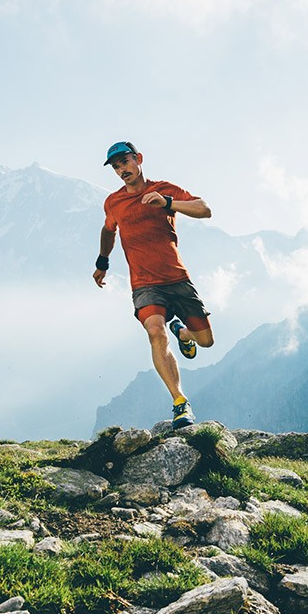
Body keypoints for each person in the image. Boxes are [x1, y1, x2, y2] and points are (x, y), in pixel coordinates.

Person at [93, 141, 215, 429]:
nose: (122, 169)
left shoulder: (164, 189)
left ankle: (183, 334)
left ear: (139, 159)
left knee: (206, 341)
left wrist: (168, 203)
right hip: (145, 285)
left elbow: (204, 209)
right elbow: (108, 230)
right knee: (155, 332)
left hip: (177, 279)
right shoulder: (113, 202)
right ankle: (180, 402)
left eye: (125, 162)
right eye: (116, 166)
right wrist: (102, 261)